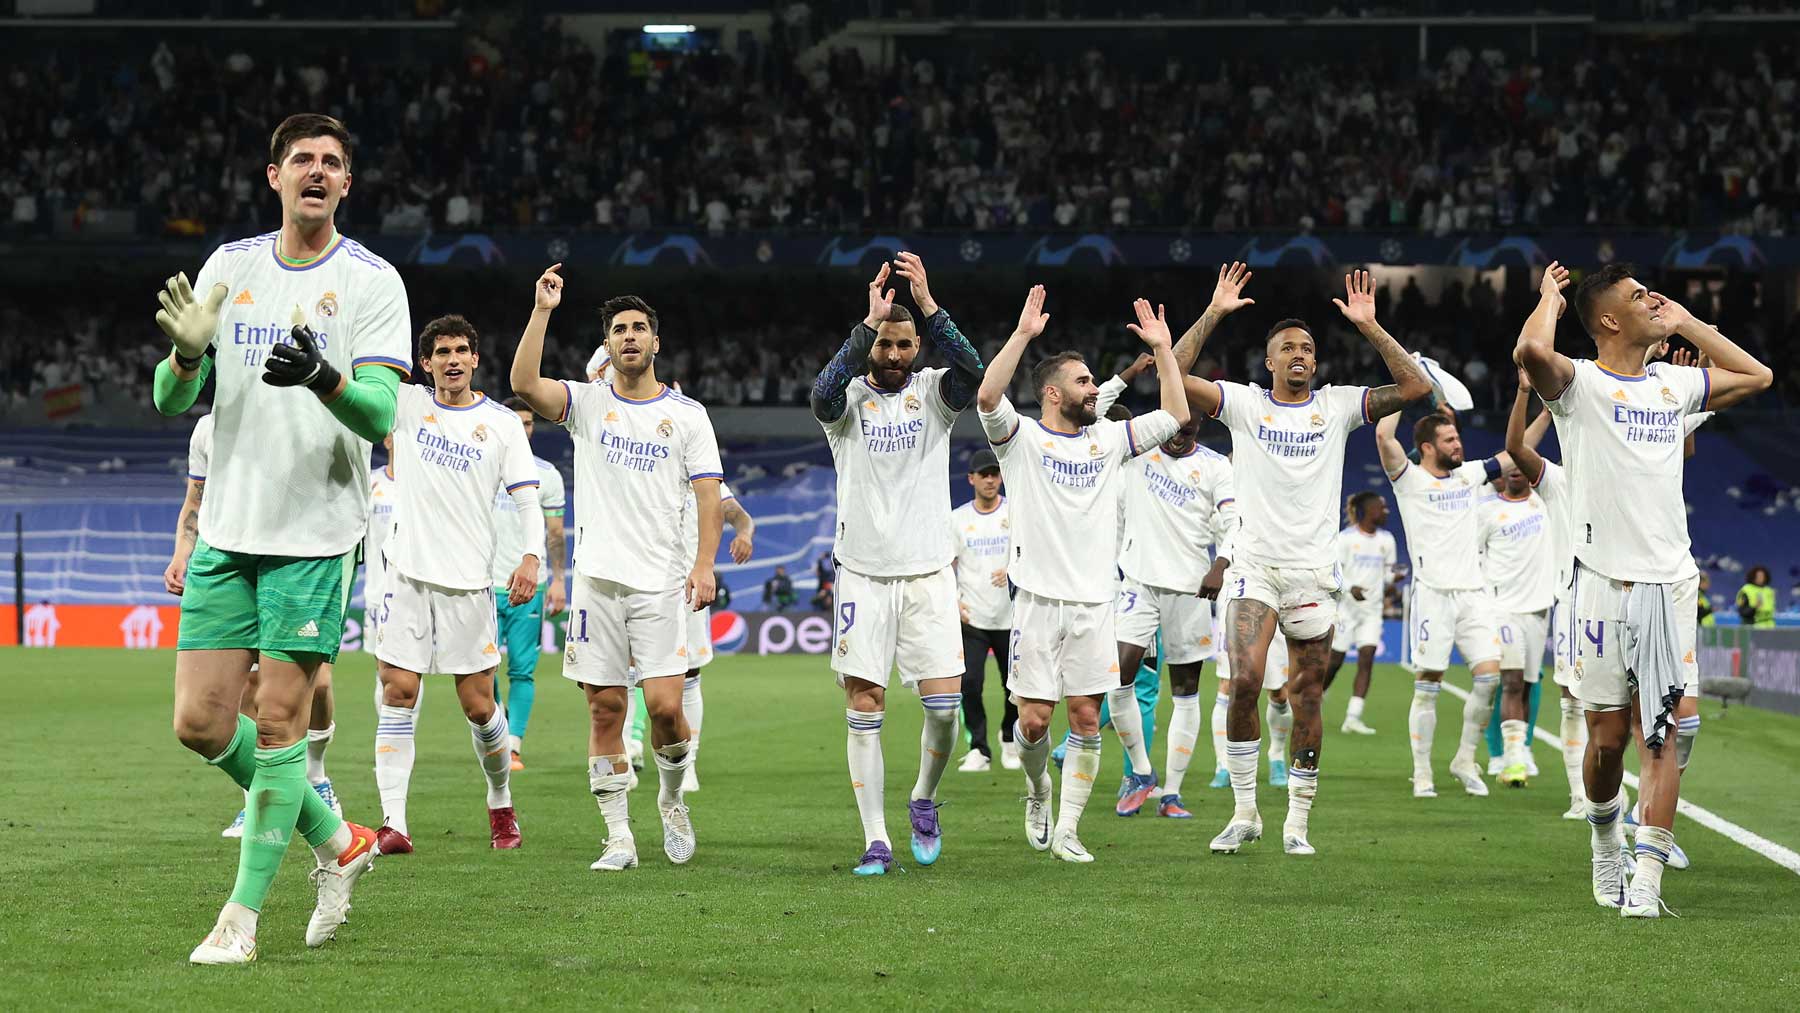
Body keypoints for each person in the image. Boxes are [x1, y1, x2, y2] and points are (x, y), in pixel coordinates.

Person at [151, 113, 405, 963]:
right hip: (229, 528)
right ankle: (339, 840)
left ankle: (240, 919)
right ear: (275, 175)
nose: (318, 172)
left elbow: (378, 412)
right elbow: (166, 401)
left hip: (315, 529)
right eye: (304, 159)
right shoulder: (232, 265)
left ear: (346, 185)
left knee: (279, 724)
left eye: (334, 162)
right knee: (197, 721)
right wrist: (187, 359)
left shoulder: (372, 281)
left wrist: (325, 377)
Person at [1515, 260, 1770, 916]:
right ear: (1607, 319)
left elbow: (1757, 376)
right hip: (1598, 585)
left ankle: (1648, 881)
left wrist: (1688, 321)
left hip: (1668, 584)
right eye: (1638, 297)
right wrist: (1549, 297)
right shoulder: (1578, 384)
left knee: (1660, 734)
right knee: (1606, 742)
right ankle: (1606, 838)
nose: (1652, 299)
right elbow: (1530, 351)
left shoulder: (1672, 385)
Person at [1173, 268, 1431, 856]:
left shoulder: (1339, 407)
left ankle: (1297, 821)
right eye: (1287, 348)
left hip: (1314, 573)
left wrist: (1369, 325)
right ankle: (1244, 812)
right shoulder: (1243, 403)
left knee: (1307, 695)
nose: (1299, 355)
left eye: (1307, 349)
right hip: (1254, 567)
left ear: (1315, 364)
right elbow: (1176, 376)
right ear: (1268, 361)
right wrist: (1213, 312)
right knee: (1243, 680)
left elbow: (1415, 390)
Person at [512, 267, 723, 873]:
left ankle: (671, 797)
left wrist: (703, 564)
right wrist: (543, 308)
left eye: (639, 328)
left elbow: (709, 496)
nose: (629, 336)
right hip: (597, 583)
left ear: (656, 342)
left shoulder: (687, 415)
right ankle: (618, 837)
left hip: (661, 583)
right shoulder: (587, 403)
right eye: (618, 330)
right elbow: (523, 381)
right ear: (609, 345)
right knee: (605, 709)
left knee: (663, 708)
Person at [977, 288, 1187, 863]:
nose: (1095, 389)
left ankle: (1069, 830)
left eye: (1095, 381)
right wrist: (1022, 335)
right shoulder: (1021, 440)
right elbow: (988, 395)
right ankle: (1038, 789)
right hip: (1039, 602)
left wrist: (1164, 351)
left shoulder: (1107, 439)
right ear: (1052, 393)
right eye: (1084, 382)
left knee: (1088, 716)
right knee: (1034, 720)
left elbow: (1175, 417)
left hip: (1097, 602)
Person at [811, 252, 984, 876]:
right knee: (865, 705)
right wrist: (866, 323)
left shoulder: (937, 394)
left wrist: (930, 307)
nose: (892, 352)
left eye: (903, 343)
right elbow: (820, 391)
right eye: (884, 342)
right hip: (862, 571)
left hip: (929, 572)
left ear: (917, 347)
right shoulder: (848, 400)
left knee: (944, 713)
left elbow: (977, 373)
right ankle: (876, 839)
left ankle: (923, 798)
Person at [372, 316, 542, 854]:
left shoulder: (502, 424)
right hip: (406, 575)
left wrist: (532, 557)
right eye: (441, 351)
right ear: (425, 363)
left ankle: (499, 800)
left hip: (470, 583)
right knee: (398, 692)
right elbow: (358, 382)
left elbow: (526, 497)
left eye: (461, 350)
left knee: (478, 704)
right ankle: (394, 822)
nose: (452, 359)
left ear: (474, 359)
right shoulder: (406, 405)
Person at [167, 414, 343, 838]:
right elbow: (196, 500)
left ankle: (317, 778)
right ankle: (259, 801)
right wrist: (180, 554)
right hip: (234, 564)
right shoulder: (209, 428)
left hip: (300, 560)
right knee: (245, 689)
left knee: (314, 686)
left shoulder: (307, 416)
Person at [1375, 410, 1514, 799]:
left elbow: (1515, 452)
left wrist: (1529, 397)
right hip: (1433, 594)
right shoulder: (1410, 479)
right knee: (1429, 684)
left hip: (1474, 594)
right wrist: (1407, 391)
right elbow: (1384, 436)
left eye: (1457, 438)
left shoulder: (1469, 475)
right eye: (1450, 440)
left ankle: (1465, 760)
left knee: (1489, 678)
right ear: (1427, 448)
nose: (1459, 444)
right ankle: (1422, 772)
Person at [1111, 412, 1234, 818]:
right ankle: (1143, 772)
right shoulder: (1137, 454)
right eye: (1174, 430)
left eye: (1189, 430)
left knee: (1185, 692)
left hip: (1192, 588)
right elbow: (1102, 410)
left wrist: (1221, 563)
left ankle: (1172, 794)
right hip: (1139, 583)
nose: (1180, 438)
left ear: (1198, 426)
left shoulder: (1216, 465)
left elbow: (1235, 521)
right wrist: (1125, 377)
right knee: (1119, 680)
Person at [490, 397, 569, 772]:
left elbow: (555, 534)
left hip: (528, 588)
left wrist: (557, 580)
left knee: (522, 670)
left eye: (529, 423)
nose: (524, 430)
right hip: (482, 584)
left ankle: (514, 745)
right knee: (481, 669)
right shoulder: (484, 465)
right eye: (517, 423)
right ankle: (493, 737)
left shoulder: (547, 475)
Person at [1477, 455, 1556, 789]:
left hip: (1538, 610)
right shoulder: (1487, 511)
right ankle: (1509, 758)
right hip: (1502, 609)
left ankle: (1519, 748)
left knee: (1526, 683)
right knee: (1508, 682)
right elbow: (1473, 555)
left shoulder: (1546, 505)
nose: (1513, 470)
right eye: (1509, 465)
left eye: (1521, 465)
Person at [674, 479, 755, 792]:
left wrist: (744, 533)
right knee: (627, 670)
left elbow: (738, 514)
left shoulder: (703, 478)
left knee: (690, 673)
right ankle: (625, 754)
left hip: (689, 583)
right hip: (643, 580)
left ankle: (689, 762)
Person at [950, 449, 1014, 773]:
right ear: (971, 479)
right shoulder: (958, 519)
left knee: (1014, 685)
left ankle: (1010, 739)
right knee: (970, 684)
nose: (990, 480)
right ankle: (979, 748)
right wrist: (953, 600)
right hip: (971, 615)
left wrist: (1013, 569)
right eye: (983, 474)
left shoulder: (1015, 513)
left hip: (1011, 615)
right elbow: (945, 563)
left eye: (994, 473)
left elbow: (1033, 551)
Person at [1325, 492, 1398, 735]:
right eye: (1381, 507)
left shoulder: (1387, 540)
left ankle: (1353, 717)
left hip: (1372, 611)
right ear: (1367, 511)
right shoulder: (1346, 539)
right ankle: (1314, 698)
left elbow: (1387, 575)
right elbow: (1333, 573)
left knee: (1367, 659)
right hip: (1346, 610)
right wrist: (1349, 589)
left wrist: (1394, 579)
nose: (1385, 511)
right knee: (1334, 662)